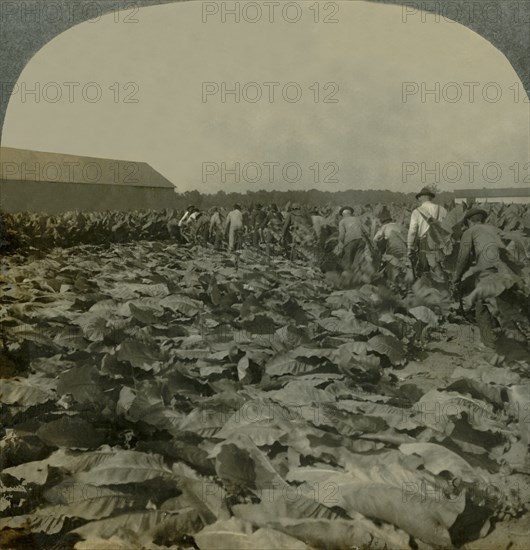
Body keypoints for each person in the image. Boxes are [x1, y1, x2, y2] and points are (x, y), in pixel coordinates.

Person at [452, 208, 508, 348]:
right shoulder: (495, 229)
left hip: (486, 271)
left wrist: (456, 278)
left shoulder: (470, 232)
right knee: (499, 303)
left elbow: (463, 258)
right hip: (505, 270)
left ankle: (489, 343)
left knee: (481, 306)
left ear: (470, 221)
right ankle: (505, 336)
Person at [407, 187, 448, 280]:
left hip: (425, 243)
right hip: (442, 242)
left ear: (420, 198)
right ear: (431, 198)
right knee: (441, 267)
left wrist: (410, 248)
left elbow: (412, 231)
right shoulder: (442, 209)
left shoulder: (417, 211)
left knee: (426, 271)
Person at [336, 206, 365, 270]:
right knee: (357, 261)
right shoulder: (357, 219)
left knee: (347, 261)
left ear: (343, 215)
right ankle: (357, 276)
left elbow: (342, 235)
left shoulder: (342, 222)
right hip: (361, 241)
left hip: (350, 242)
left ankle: (347, 276)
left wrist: (340, 244)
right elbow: (364, 231)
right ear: (350, 213)